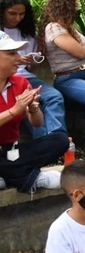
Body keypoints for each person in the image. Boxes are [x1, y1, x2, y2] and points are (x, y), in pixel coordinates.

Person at [37, 0, 85, 159]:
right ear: (66, 4)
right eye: (75, 2)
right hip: (69, 77)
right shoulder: (53, 28)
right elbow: (80, 52)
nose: (78, 5)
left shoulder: (69, 27)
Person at [0, 35, 68, 191]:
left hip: (12, 151)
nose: (19, 58)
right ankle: (32, 179)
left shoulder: (20, 82)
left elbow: (37, 123)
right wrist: (14, 111)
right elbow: (15, 111)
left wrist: (33, 107)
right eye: (11, 53)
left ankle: (7, 175)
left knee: (60, 140)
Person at [0, 0, 66, 138]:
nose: (17, 18)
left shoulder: (28, 32)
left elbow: (32, 67)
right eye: (12, 13)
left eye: (21, 14)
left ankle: (56, 140)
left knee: (53, 96)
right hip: (6, 79)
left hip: (26, 78)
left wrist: (31, 62)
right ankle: (44, 144)